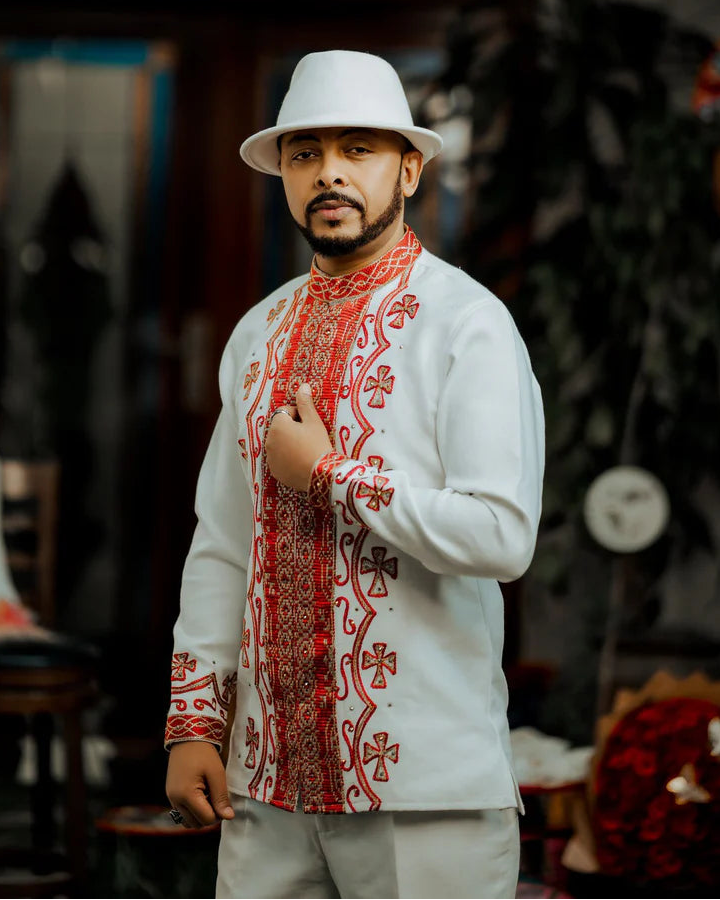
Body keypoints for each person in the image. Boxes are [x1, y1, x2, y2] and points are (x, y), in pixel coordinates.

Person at [164, 49, 545, 900]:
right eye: (305, 154)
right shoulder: (256, 334)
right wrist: (194, 721)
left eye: (358, 150)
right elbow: (223, 543)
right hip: (265, 780)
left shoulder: (468, 324)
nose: (329, 173)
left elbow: (501, 534)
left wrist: (333, 473)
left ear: (409, 169)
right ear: (286, 176)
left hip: (423, 789)